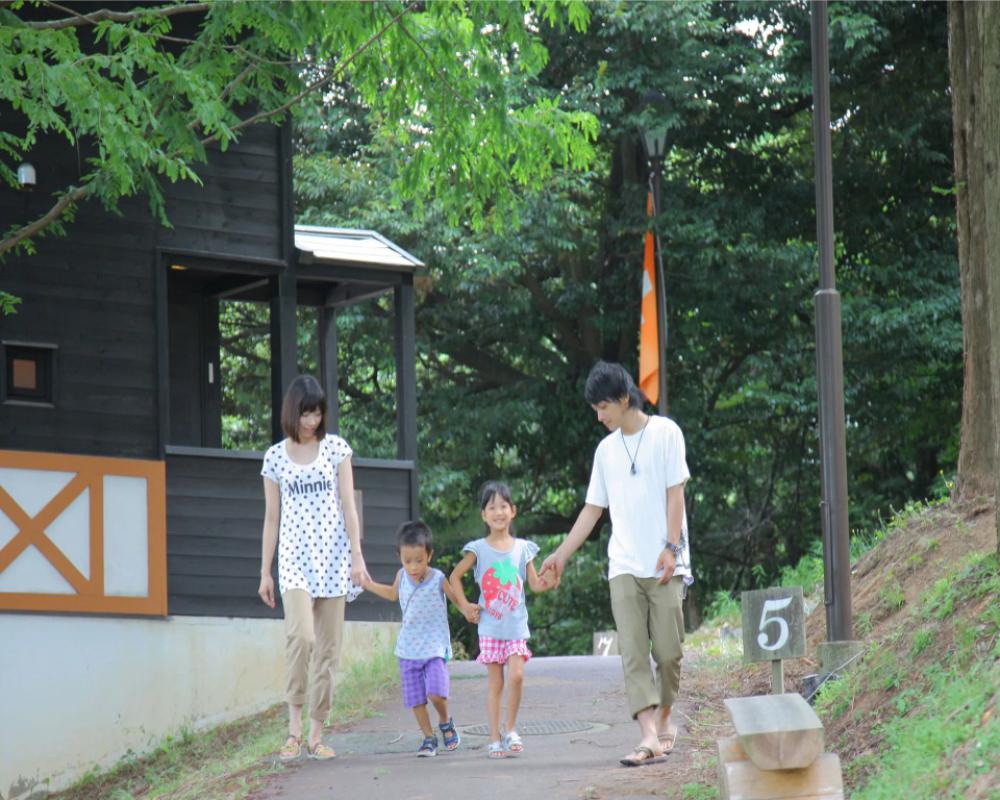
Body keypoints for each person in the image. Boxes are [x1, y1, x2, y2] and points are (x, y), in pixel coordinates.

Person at [539, 361, 692, 767]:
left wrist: (671, 547)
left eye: (603, 406)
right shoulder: (605, 451)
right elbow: (592, 510)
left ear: (625, 398)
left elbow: (675, 494)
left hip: (665, 562)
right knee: (633, 652)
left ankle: (664, 719)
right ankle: (647, 736)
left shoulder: (666, 433)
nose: (599, 415)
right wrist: (561, 554)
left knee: (670, 652)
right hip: (622, 563)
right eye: (595, 409)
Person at [258, 375, 370, 761]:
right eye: (306, 412)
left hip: (335, 561)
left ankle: (316, 734)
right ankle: (291, 731)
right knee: (301, 638)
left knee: (328, 651)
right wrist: (265, 571)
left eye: (318, 412)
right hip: (294, 563)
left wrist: (358, 556)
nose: (312, 420)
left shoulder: (336, 450)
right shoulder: (275, 458)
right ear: (294, 411)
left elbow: (348, 506)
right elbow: (271, 519)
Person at [449, 480, 556, 759]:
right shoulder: (478, 549)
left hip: (516, 626)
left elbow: (534, 584)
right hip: (490, 627)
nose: (498, 512)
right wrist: (464, 606)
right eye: (492, 507)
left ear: (513, 511)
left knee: (517, 676)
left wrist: (550, 580)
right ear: (484, 515)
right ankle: (494, 738)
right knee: (496, 683)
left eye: (503, 506)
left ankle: (510, 730)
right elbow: (454, 577)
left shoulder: (523, 548)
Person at [362, 520, 475, 757]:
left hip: (434, 646)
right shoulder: (401, 576)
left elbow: (457, 600)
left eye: (419, 561)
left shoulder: (437, 578)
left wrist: (468, 610)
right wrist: (367, 584)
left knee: (436, 692)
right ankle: (428, 738)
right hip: (408, 648)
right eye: (407, 561)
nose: (413, 567)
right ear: (400, 557)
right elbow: (392, 594)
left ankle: (445, 721)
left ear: (429, 555)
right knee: (416, 699)